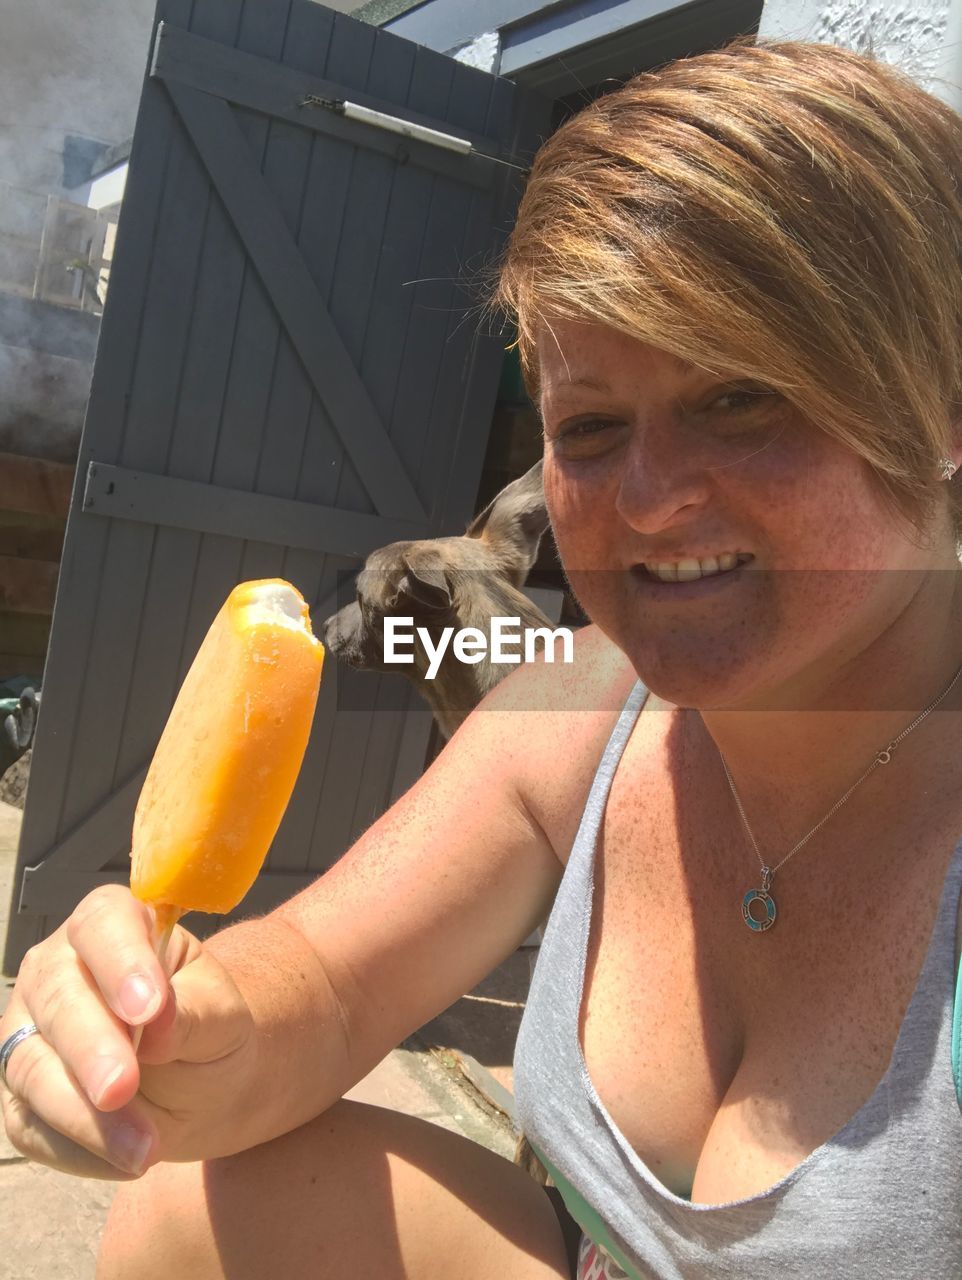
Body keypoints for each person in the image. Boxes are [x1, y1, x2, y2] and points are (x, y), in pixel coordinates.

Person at [2, 36, 962, 1278]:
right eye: (592, 426)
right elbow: (328, 983)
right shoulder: (588, 693)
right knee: (210, 1197)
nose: (651, 496)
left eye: (743, 398)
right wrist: (187, 1036)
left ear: (938, 409)